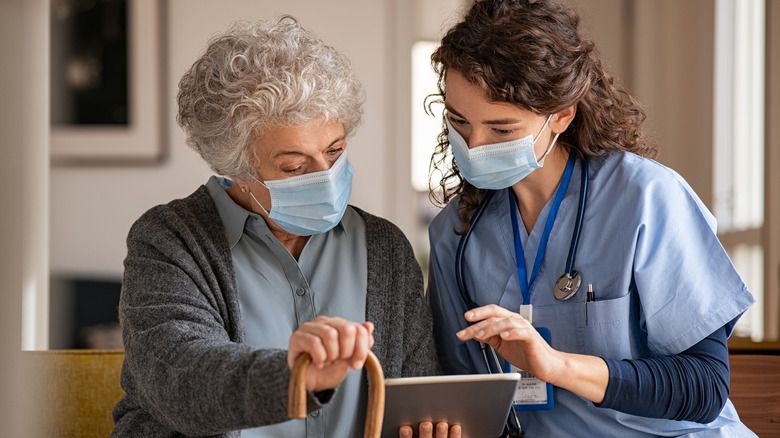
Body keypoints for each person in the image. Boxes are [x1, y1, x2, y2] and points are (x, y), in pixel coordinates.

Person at [111, 16, 458, 438]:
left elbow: (414, 391)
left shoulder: (384, 246)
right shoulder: (170, 240)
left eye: (334, 152)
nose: (326, 176)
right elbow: (180, 379)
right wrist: (295, 375)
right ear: (234, 168)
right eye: (294, 166)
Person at [425, 0, 757, 436]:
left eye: (502, 130)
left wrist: (556, 365)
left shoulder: (645, 198)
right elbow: (465, 391)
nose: (475, 145)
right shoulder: (457, 233)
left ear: (562, 113)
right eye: (459, 122)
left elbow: (704, 386)